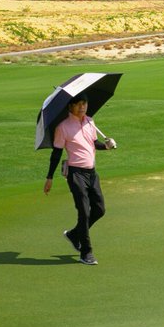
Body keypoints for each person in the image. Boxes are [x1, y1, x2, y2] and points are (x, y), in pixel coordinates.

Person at [43, 94, 116, 265]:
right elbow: (56, 154)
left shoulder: (90, 121)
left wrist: (106, 145)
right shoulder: (63, 127)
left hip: (91, 173)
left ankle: (74, 235)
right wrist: (49, 177)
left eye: (84, 103)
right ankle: (86, 252)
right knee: (84, 212)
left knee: (99, 209)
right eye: (78, 104)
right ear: (71, 107)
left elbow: (93, 143)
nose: (82, 107)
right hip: (75, 174)